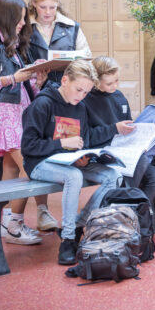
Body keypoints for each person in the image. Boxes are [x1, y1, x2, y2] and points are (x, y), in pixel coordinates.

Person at [0, 0, 55, 246]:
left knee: (11, 167)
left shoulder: (12, 45)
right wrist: (14, 79)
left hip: (19, 112)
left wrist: (36, 79)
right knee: (32, 168)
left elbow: (20, 84)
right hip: (3, 115)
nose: (22, 24)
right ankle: (14, 225)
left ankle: (5, 221)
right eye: (20, 19)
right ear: (8, 18)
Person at [21, 60, 122, 265]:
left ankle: (78, 224)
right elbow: (28, 146)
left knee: (114, 176)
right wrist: (62, 143)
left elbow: (83, 139)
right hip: (40, 163)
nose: (81, 95)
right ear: (65, 80)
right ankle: (67, 240)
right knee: (73, 176)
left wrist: (84, 157)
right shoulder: (43, 104)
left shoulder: (80, 107)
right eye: (79, 89)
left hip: (70, 161)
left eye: (86, 92)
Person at [83, 56, 155, 230]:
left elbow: (127, 124)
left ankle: (130, 213)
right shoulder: (86, 100)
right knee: (140, 162)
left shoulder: (119, 97)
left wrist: (135, 132)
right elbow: (87, 136)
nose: (115, 86)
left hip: (124, 151)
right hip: (101, 153)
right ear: (96, 82)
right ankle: (126, 218)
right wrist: (114, 128)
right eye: (109, 83)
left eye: (117, 80)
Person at [27, 0, 92, 84]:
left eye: (52, 7)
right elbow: (17, 65)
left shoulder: (72, 27)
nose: (47, 12)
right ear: (34, 3)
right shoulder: (24, 29)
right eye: (42, 7)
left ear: (57, 3)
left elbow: (87, 59)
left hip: (66, 89)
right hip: (35, 91)